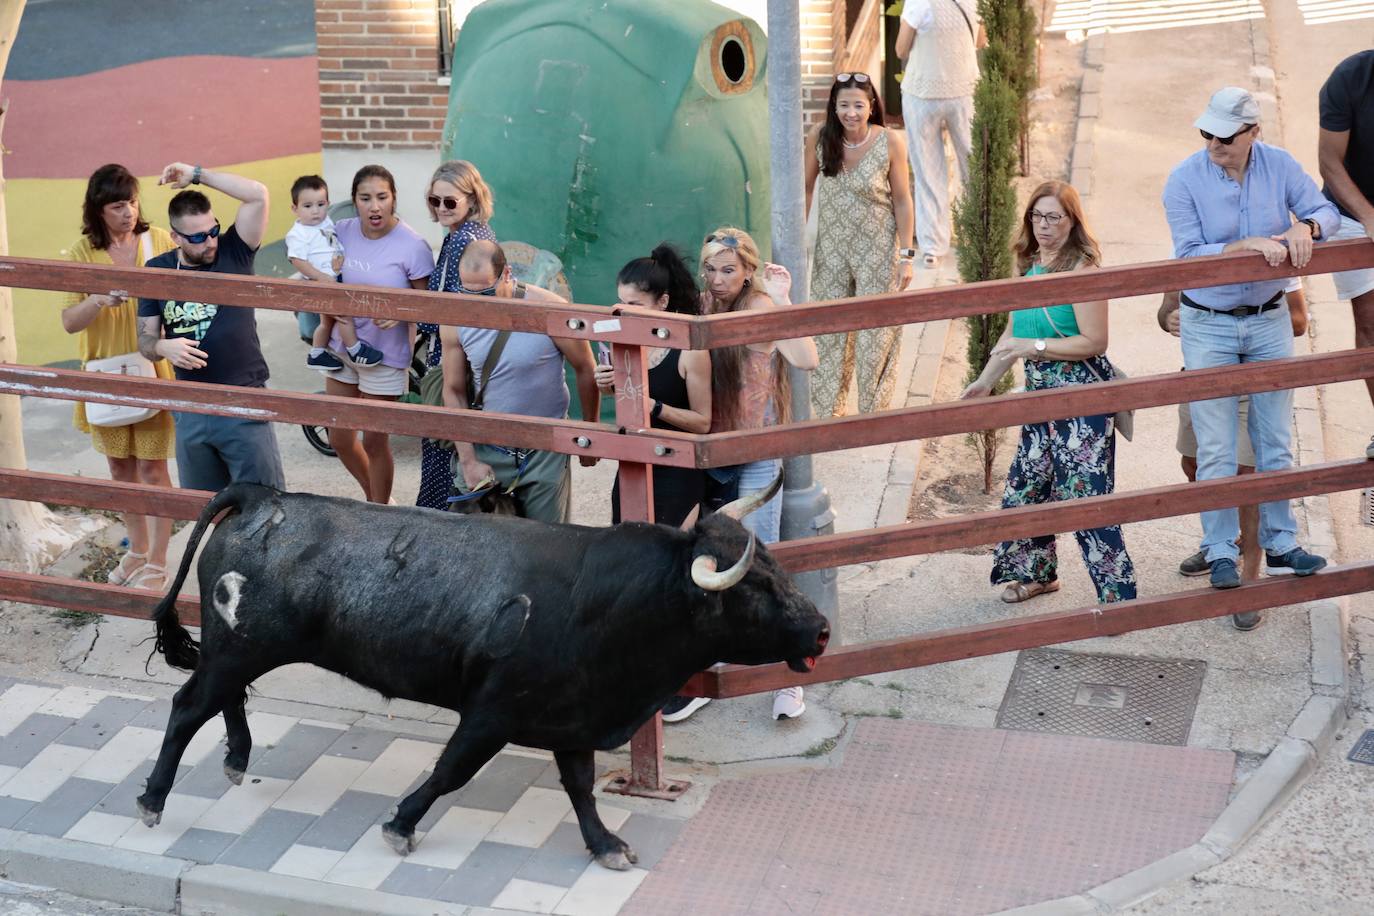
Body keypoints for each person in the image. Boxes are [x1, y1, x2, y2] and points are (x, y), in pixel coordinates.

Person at [1163, 86, 1339, 611]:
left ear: (1252, 133)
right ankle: (1219, 548)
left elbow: (1326, 212)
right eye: (1206, 132)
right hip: (1208, 321)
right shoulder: (1183, 179)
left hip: (1268, 318)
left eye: (1224, 134)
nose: (1213, 142)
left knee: (1276, 437)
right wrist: (1243, 246)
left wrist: (1304, 227)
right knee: (1215, 444)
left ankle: (1281, 541)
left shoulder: (1280, 166)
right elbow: (1190, 255)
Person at [962, 180, 1137, 606]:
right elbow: (1013, 332)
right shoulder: (1026, 267)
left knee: (1085, 495)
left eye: (1053, 216)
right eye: (1036, 216)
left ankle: (1119, 595)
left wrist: (1035, 348)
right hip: (1039, 392)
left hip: (1081, 396)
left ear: (1072, 220)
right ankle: (1038, 574)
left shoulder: (1084, 272)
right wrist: (986, 381)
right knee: (1027, 486)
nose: (1043, 225)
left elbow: (1095, 342)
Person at [700, 227, 819, 721]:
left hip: (755, 449)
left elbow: (806, 358)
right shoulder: (703, 306)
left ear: (747, 270)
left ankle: (787, 680)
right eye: (710, 268)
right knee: (709, 558)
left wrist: (783, 299)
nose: (718, 278)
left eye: (728, 269)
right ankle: (710, 669)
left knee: (759, 558)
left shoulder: (758, 307)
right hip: (709, 449)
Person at [595, 245, 713, 724]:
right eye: (618, 305)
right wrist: (608, 386)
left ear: (663, 305)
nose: (623, 314)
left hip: (677, 476)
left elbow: (704, 423)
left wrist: (655, 409)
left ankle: (687, 685)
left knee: (672, 582)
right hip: (631, 468)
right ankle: (639, 679)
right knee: (629, 575)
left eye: (634, 307)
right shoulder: (622, 343)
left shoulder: (690, 351)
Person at [136, 162, 284, 493]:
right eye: (199, 237)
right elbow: (144, 340)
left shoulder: (235, 250)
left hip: (243, 401)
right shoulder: (156, 270)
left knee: (265, 508)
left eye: (213, 230)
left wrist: (198, 175)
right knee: (204, 510)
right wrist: (161, 347)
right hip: (191, 408)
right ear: (175, 236)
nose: (210, 242)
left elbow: (258, 195)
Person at [63, 164, 177, 591]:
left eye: (131, 202)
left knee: (152, 469)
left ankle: (159, 561)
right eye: (117, 205)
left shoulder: (160, 239)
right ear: (99, 209)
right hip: (103, 372)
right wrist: (96, 300)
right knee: (119, 469)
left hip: (151, 367)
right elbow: (69, 322)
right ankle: (138, 551)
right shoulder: (80, 253)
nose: (128, 212)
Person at [1160, 280, 1308, 598]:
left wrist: (1240, 320)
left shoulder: (1270, 253)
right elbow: (1167, 308)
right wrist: (1171, 318)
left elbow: (1298, 321)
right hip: (1202, 371)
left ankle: (1251, 577)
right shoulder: (1192, 248)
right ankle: (1223, 546)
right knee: (1195, 464)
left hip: (1250, 379)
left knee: (1245, 474)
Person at [441, 240, 599, 522]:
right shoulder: (455, 316)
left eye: (487, 292)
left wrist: (589, 434)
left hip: (544, 447)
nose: (478, 302)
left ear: (507, 274)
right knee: (477, 545)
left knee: (546, 549)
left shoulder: (551, 309)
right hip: (488, 442)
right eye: (468, 291)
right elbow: (452, 390)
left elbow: (586, 368)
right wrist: (468, 460)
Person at [804, 72, 915, 419]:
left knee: (876, 332)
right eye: (843, 105)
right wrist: (799, 238)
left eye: (858, 105)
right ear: (834, 107)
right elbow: (805, 187)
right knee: (827, 327)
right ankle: (828, 411)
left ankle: (874, 412)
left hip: (877, 249)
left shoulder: (890, 141)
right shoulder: (821, 137)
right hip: (832, 247)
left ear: (871, 108)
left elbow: (902, 200)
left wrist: (905, 255)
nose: (850, 113)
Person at [326, 164, 435, 504]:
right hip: (341, 347)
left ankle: (377, 513)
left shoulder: (413, 245)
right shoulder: (339, 232)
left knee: (374, 440)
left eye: (382, 197)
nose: (374, 206)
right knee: (339, 437)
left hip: (385, 356)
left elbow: (430, 304)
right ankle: (377, 501)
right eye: (365, 198)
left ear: (393, 200)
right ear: (354, 202)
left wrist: (401, 312)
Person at [416, 160, 497, 510]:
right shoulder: (476, 234)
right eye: (435, 201)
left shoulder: (465, 239)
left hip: (456, 355)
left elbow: (458, 309)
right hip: (464, 353)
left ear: (472, 198)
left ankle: (439, 522)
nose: (442, 209)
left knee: (443, 446)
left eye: (451, 201)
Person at [895, 0, 984, 270]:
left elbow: (900, 48)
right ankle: (976, 236)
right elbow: (980, 40)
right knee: (974, 167)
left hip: (922, 94)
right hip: (964, 91)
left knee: (929, 172)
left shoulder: (919, 2)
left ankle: (933, 248)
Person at [1316, 50, 1374, 458]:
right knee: (1371, 320)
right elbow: (1329, 163)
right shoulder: (1351, 77)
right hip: (1353, 211)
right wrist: (1370, 216)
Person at [288, 174, 385, 372]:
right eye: (308, 206)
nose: (315, 211)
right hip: (321, 282)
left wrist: (339, 258)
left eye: (321, 204)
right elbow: (297, 260)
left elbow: (332, 244)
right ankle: (355, 350)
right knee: (344, 316)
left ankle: (316, 354)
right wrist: (318, 276)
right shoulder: (298, 234)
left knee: (327, 321)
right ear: (295, 208)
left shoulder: (326, 222)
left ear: (328, 204)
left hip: (334, 277)